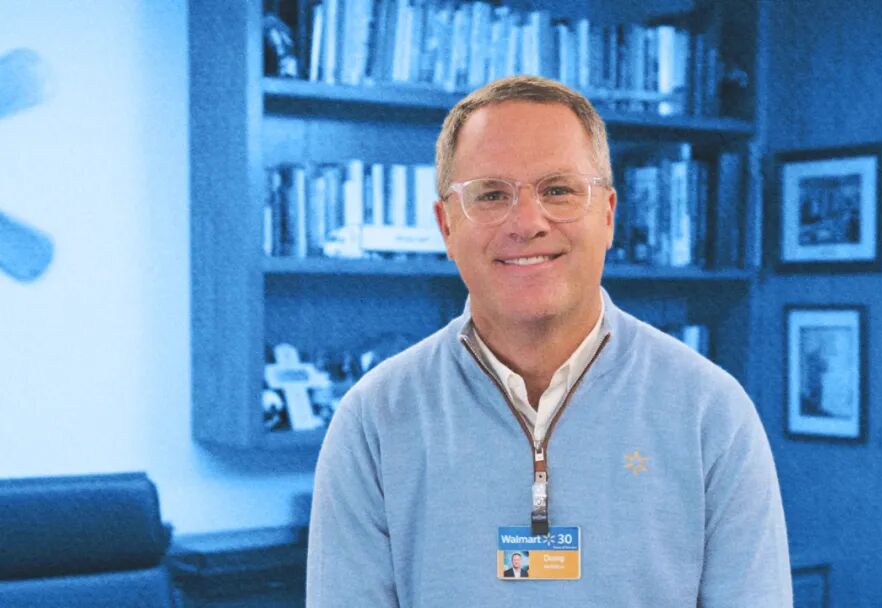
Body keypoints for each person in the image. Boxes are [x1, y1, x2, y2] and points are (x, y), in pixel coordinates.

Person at [307, 75, 792, 607]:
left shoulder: (711, 413)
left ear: (608, 215)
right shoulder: (373, 420)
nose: (527, 223)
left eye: (558, 190)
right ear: (446, 226)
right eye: (491, 195)